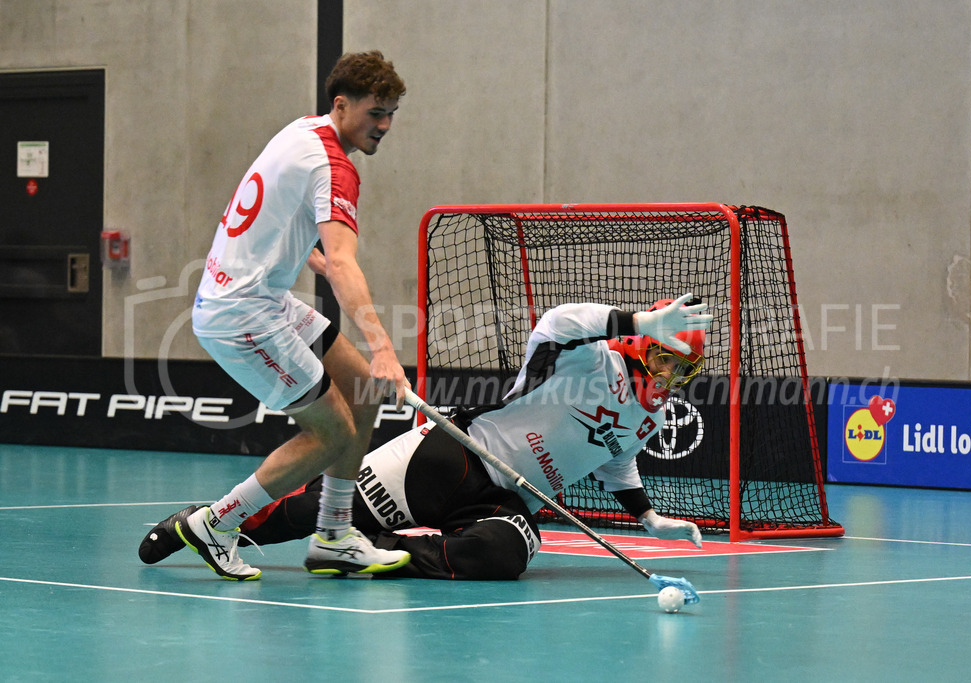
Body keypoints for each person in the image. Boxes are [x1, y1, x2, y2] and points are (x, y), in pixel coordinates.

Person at [141, 295, 712, 580]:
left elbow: (617, 463)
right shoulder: (586, 361)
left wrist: (648, 518)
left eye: (680, 369)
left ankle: (385, 555)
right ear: (643, 345)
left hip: (507, 500)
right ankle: (207, 520)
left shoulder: (652, 421)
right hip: (460, 453)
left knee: (503, 555)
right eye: (664, 358)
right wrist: (636, 320)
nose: (669, 377)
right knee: (309, 515)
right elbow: (561, 321)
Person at [176, 50, 413, 581]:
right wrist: (383, 350)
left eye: (393, 112)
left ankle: (332, 534)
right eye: (376, 112)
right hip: (244, 313)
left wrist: (307, 256)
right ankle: (216, 523)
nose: (386, 125)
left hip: (262, 294)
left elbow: (270, 208)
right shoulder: (336, 168)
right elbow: (348, 263)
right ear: (342, 104)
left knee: (361, 391)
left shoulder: (302, 131)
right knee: (330, 432)